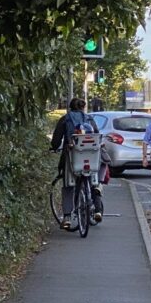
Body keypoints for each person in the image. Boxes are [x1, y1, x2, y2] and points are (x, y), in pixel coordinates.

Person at [50, 98, 104, 229]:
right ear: (83, 108)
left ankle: (67, 217)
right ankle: (97, 209)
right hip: (91, 157)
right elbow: (97, 135)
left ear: (70, 107)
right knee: (93, 181)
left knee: (68, 185)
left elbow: (56, 139)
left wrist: (54, 147)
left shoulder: (65, 119)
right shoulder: (89, 119)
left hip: (72, 157)